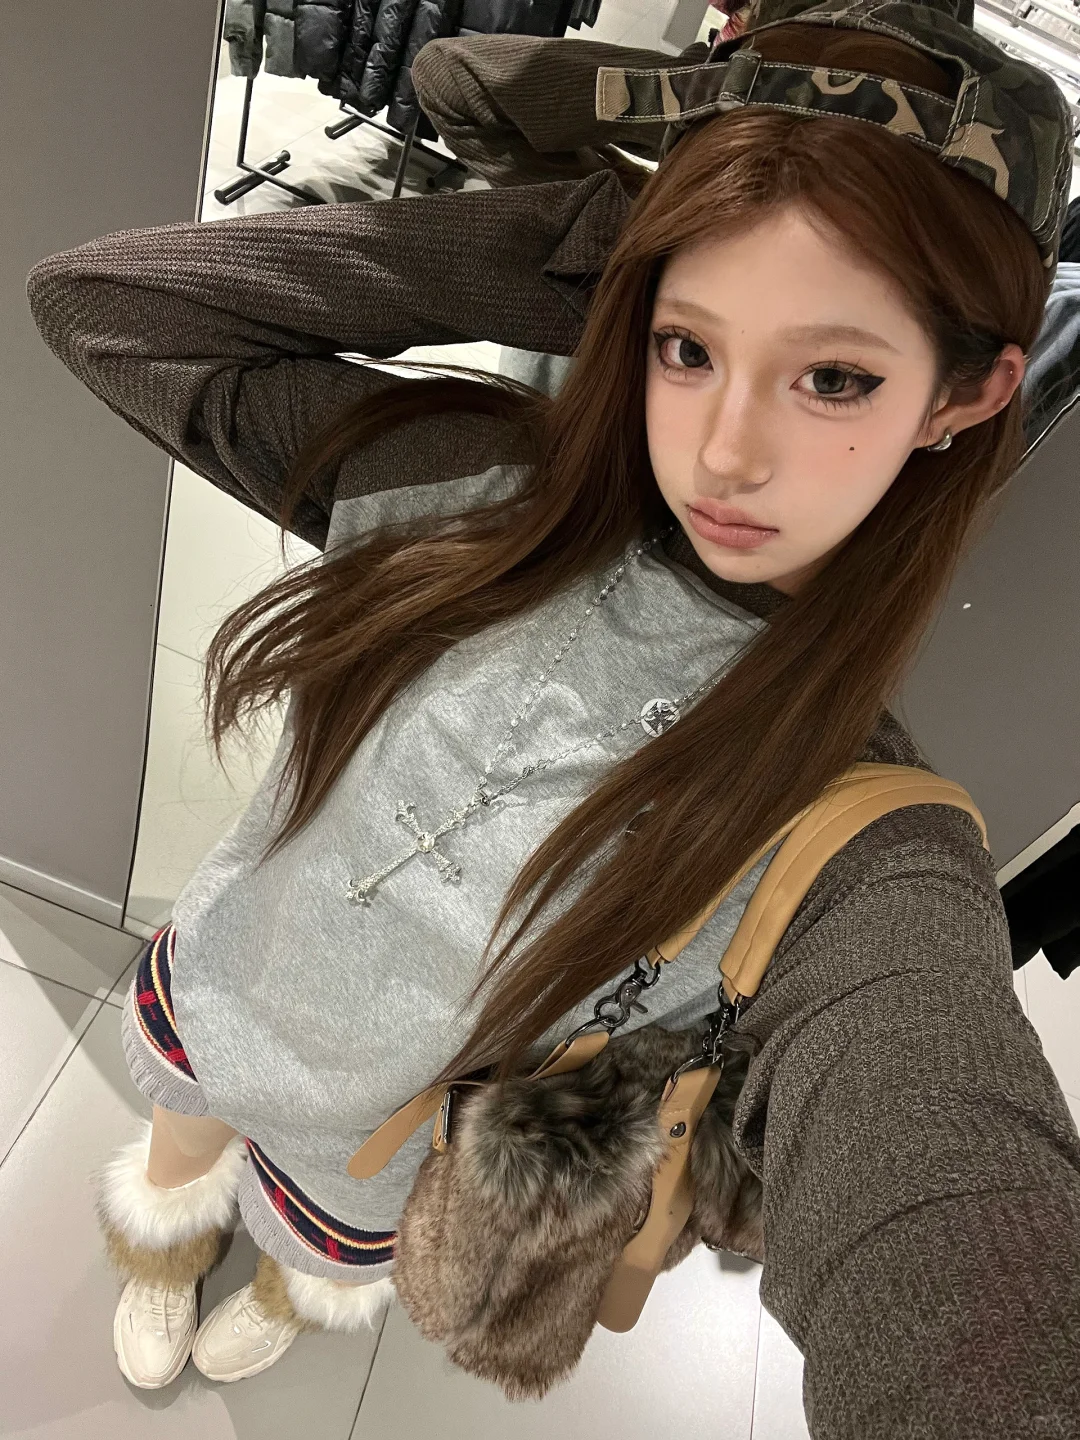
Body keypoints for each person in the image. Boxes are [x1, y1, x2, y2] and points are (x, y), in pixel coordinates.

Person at [25, 0, 1080, 1431]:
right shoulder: (472, 494)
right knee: (178, 1143)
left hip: (377, 1140)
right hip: (222, 983)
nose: (726, 451)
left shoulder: (855, 841)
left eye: (833, 377)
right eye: (688, 349)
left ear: (965, 395)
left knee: (315, 1253)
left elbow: (950, 1202)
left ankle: (286, 1285)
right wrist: (588, 253)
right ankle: (161, 1235)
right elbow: (104, 305)